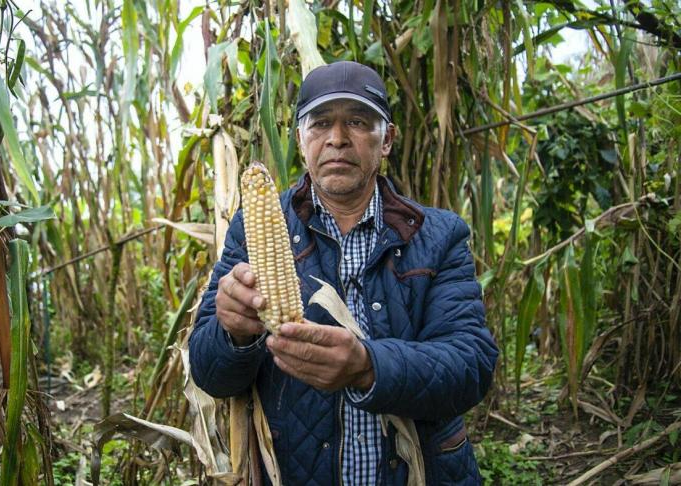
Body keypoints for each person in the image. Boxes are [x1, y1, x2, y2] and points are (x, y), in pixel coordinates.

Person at [189, 61, 498, 485]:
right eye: (320, 124)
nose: (337, 138)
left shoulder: (439, 235)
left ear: (386, 139)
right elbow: (209, 374)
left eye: (357, 121)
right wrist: (233, 333)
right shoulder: (250, 228)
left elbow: (471, 365)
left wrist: (368, 367)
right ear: (300, 140)